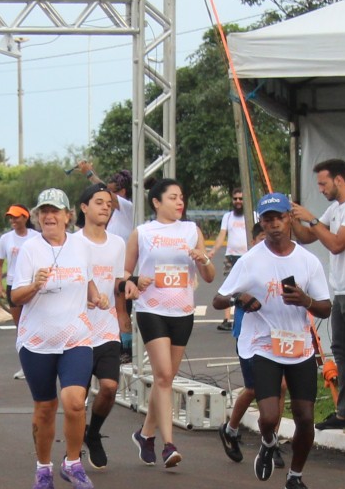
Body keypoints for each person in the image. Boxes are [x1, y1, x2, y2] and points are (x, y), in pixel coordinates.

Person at [214, 192, 331, 489]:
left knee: (306, 418)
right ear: (261, 224)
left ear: (289, 219)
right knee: (268, 416)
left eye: (279, 218)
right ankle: (268, 443)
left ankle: (295, 477)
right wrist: (240, 298)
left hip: (299, 348)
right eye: (268, 220)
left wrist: (305, 300)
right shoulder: (250, 260)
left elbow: (325, 307)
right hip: (263, 346)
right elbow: (218, 299)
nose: (274, 225)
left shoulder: (308, 261)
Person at [9, 189, 103, 489]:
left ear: (67, 216)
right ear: (37, 216)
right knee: (45, 408)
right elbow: (15, 296)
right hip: (37, 340)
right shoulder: (29, 250)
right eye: (43, 211)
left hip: (76, 336)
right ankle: (43, 469)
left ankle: (73, 463)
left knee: (75, 402)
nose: (49, 216)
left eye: (55, 211)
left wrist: (96, 297)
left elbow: (87, 279)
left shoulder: (82, 246)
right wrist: (34, 285)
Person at [126, 178, 214, 468]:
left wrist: (203, 260)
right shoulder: (142, 233)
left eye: (182, 198)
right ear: (156, 202)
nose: (180, 203)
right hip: (152, 309)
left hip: (183, 311)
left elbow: (210, 275)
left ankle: (145, 434)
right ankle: (169, 445)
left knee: (165, 379)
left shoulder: (192, 230)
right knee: (163, 373)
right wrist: (134, 282)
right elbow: (126, 273)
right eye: (173, 197)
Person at [290, 159, 345, 430]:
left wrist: (311, 218)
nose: (321, 189)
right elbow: (307, 237)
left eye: (323, 183)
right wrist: (292, 218)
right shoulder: (336, 208)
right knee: (341, 350)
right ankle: (344, 412)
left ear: (339, 180)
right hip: (340, 291)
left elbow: (336, 244)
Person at [71, 186, 128, 469]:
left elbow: (118, 283)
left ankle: (93, 434)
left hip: (106, 328)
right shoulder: (72, 243)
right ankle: (73, 451)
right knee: (76, 398)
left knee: (109, 387)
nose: (105, 207)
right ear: (84, 207)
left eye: (109, 204)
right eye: (99, 202)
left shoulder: (117, 243)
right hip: (77, 329)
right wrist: (88, 295)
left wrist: (127, 289)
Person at [211, 188, 250, 328]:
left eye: (241, 198)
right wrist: (214, 250)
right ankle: (227, 319)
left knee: (247, 287)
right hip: (231, 256)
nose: (238, 201)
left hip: (247, 256)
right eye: (236, 199)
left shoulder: (252, 215)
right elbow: (222, 235)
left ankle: (247, 317)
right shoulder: (228, 217)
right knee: (228, 286)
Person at [0, 205, 32, 312]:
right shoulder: (5, 238)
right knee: (19, 325)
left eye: (16, 217)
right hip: (13, 284)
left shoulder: (36, 237)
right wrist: (0, 286)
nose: (12, 220)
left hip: (31, 284)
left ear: (25, 217)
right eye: (11, 218)